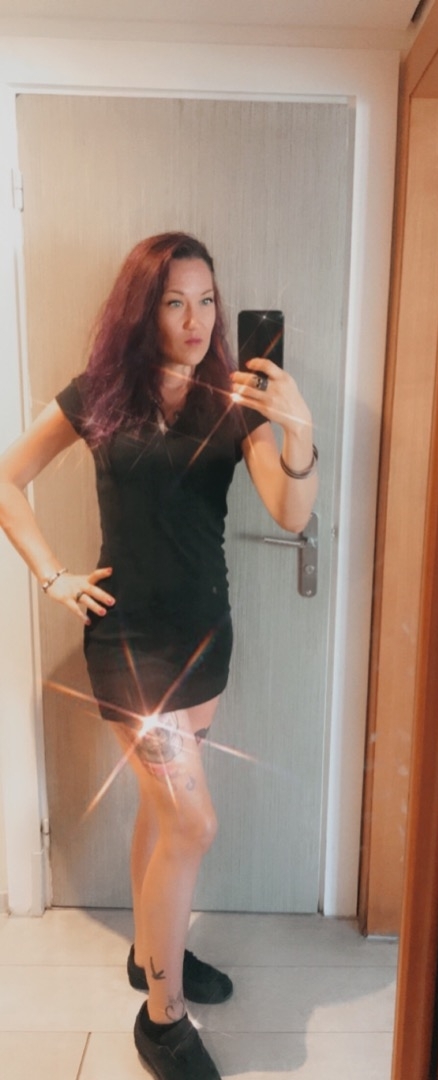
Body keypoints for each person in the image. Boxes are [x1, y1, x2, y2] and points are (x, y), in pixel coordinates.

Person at [0, 232, 318, 1080]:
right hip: (128, 644)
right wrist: (53, 575)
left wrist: (297, 429)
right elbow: (5, 478)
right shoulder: (100, 393)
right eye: (174, 301)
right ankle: (161, 1020)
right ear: (143, 309)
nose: (194, 319)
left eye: (206, 300)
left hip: (202, 640)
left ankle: (152, 954)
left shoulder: (234, 400)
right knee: (191, 820)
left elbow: (290, 512)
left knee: (160, 810)